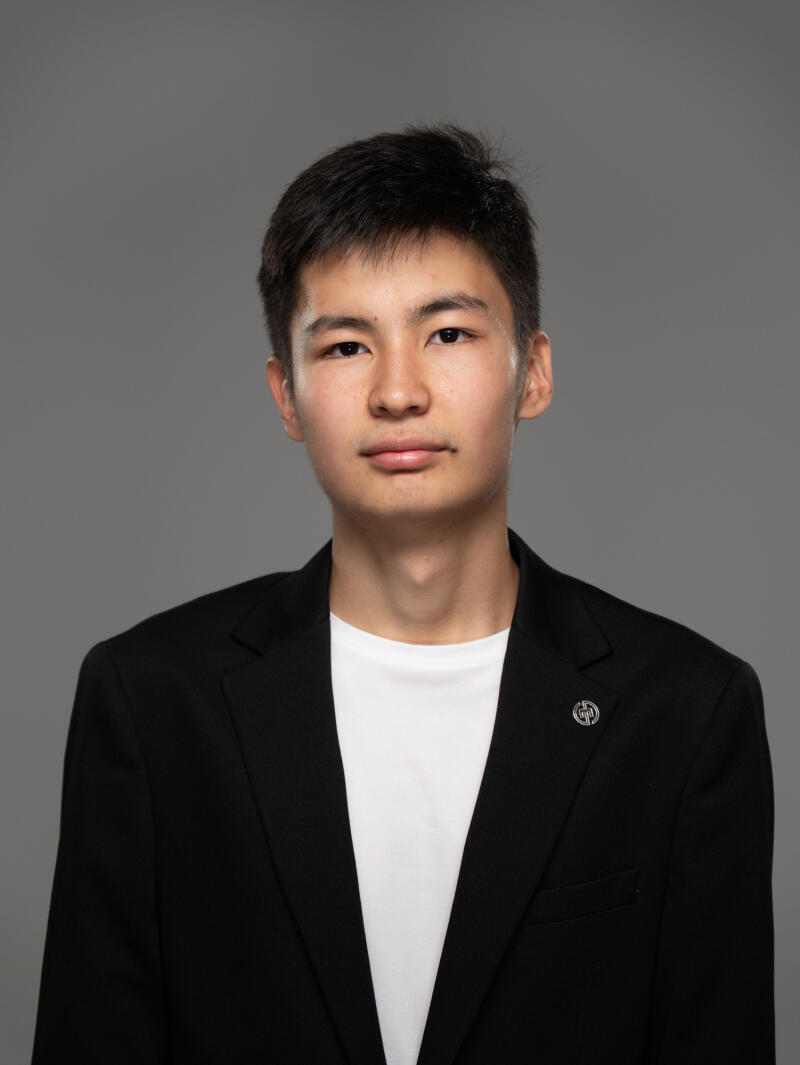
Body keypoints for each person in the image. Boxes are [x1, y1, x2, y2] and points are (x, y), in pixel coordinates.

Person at [31, 124, 775, 1065]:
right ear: (287, 396)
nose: (397, 390)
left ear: (532, 371)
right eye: (345, 346)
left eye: (449, 332)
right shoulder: (151, 701)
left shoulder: (685, 712)